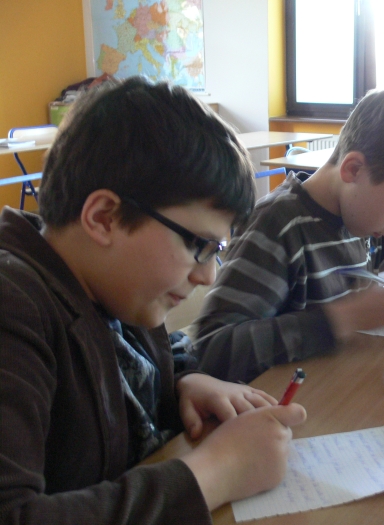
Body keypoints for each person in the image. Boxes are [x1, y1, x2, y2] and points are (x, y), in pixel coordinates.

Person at [0, 77, 306, 524]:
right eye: (198, 245)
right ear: (105, 218)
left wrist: (185, 382)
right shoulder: (13, 308)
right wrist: (215, 473)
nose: (208, 275)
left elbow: (132, 366)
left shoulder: (118, 286)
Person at [196, 85, 384, 384]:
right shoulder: (279, 226)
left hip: (342, 389)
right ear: (354, 169)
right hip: (282, 404)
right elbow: (212, 350)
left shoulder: (371, 220)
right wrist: (342, 318)